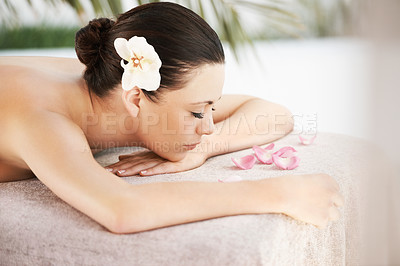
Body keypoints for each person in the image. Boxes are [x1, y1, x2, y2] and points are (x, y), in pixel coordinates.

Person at [0, 2, 343, 234]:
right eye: (196, 112)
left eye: (211, 108)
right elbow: (122, 209)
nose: (207, 125)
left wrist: (201, 148)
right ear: (136, 97)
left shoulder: (107, 79)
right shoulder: (44, 120)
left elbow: (273, 112)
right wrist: (279, 193)